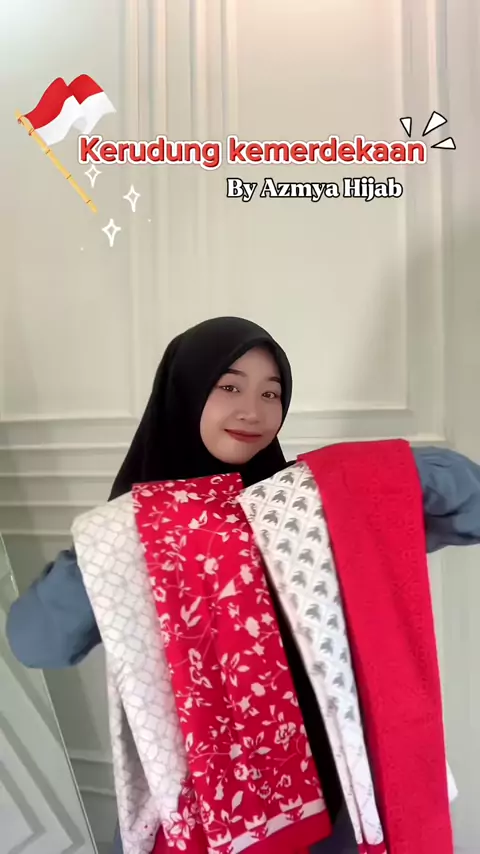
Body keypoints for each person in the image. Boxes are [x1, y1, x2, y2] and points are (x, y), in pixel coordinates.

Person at [6, 315, 480, 854]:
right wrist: (113, 549)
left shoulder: (302, 512)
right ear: (184, 393)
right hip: (197, 814)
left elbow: (471, 508)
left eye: (271, 393)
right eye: (229, 387)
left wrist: (371, 474)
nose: (253, 411)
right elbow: (35, 643)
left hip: (336, 803)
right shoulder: (130, 535)